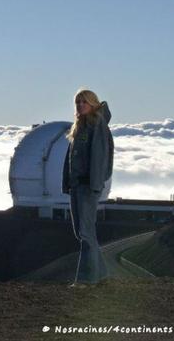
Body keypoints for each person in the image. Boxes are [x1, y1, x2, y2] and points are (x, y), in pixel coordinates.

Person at [62, 88, 114, 288]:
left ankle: (86, 279)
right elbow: (71, 157)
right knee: (82, 232)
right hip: (77, 185)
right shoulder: (80, 126)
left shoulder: (97, 125)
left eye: (84, 102)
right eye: (78, 102)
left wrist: (95, 185)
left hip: (87, 186)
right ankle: (101, 274)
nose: (81, 105)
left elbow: (99, 157)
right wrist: (67, 182)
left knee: (85, 232)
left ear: (93, 104)